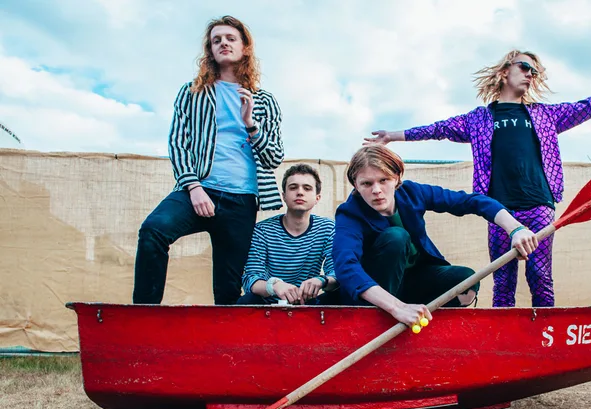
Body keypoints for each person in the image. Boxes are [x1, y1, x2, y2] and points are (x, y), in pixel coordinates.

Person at [364, 50, 591, 308]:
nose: (530, 74)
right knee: (502, 279)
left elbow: (585, 107)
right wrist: (393, 136)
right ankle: (503, 337)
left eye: (534, 72)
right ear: (504, 72)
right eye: (524, 67)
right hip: (498, 209)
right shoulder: (477, 119)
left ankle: (543, 336)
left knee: (540, 275)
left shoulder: (544, 115)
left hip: (539, 205)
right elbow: (438, 129)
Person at [133, 15, 284, 305]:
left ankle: (223, 335)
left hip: (242, 200)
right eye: (217, 40)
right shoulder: (193, 92)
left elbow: (274, 157)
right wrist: (194, 187)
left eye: (230, 38)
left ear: (245, 47)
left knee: (228, 290)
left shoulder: (264, 100)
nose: (223, 43)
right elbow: (178, 143)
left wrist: (250, 124)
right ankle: (144, 315)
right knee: (153, 230)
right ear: (210, 50)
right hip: (199, 189)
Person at [333, 145, 538, 327]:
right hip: (378, 294)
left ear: (396, 178)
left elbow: (470, 202)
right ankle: (383, 320)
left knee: (465, 281)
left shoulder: (412, 193)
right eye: (367, 184)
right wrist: (396, 307)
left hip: (414, 284)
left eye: (383, 180)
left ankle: (428, 327)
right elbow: (346, 266)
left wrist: (516, 229)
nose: (376, 190)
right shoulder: (350, 213)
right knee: (397, 237)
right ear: (356, 186)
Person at [238, 164, 338, 305]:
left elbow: (337, 274)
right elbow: (251, 279)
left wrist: (322, 280)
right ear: (284, 196)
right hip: (267, 306)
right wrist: (274, 286)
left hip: (308, 304)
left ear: (317, 197)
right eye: (293, 187)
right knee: (247, 301)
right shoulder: (262, 230)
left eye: (307, 188)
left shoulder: (328, 228)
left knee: (339, 295)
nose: (300, 192)